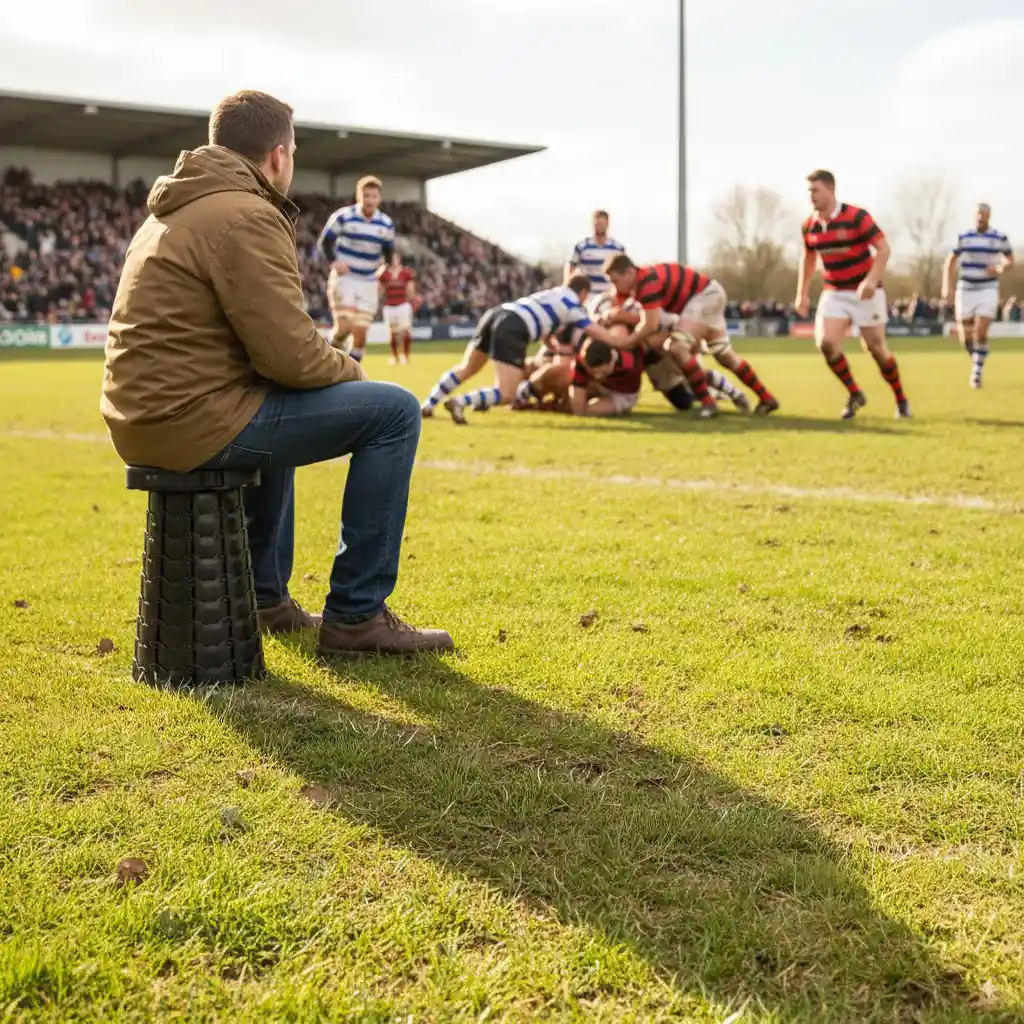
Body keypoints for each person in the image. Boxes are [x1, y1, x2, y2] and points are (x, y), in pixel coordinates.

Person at [101, 90, 452, 657]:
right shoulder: (246, 213)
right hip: (190, 419)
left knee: (278, 400)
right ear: (279, 155)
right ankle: (357, 616)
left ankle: (265, 597)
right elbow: (290, 355)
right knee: (395, 412)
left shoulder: (174, 209)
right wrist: (352, 370)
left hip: (146, 417)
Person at [419, 274, 624, 424]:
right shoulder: (573, 305)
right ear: (584, 293)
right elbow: (595, 331)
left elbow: (543, 320)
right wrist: (623, 342)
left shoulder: (553, 293)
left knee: (466, 368)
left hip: (496, 314)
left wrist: (548, 343)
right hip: (514, 327)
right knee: (507, 392)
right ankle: (460, 402)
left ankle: (428, 404)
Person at [795, 169, 910, 420]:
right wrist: (801, 293)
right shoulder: (809, 226)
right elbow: (808, 258)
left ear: (830, 190)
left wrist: (871, 280)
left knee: (876, 348)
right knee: (826, 343)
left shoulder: (857, 216)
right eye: (809, 191)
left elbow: (883, 249)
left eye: (815, 190)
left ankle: (901, 400)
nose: (811, 196)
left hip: (865, 292)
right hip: (835, 291)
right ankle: (854, 393)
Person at [602, 257, 778, 415]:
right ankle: (766, 398)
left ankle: (708, 403)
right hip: (710, 293)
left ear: (630, 272)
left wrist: (628, 341)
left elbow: (650, 324)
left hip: (704, 297)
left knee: (676, 347)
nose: (615, 286)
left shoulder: (646, 284)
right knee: (724, 355)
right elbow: (625, 305)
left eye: (616, 281)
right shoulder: (643, 279)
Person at [318, 175, 395, 361]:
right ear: (359, 196)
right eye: (366, 195)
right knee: (344, 327)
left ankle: (351, 374)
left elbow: (389, 253)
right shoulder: (344, 217)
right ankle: (328, 357)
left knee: (360, 335)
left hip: (368, 282)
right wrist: (333, 261)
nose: (370, 200)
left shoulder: (386, 224)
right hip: (345, 278)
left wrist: (385, 269)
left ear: (379, 198)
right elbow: (325, 242)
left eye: (373, 196)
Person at [941, 203, 1013, 389]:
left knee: (980, 330)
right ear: (974, 216)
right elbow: (950, 261)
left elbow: (1010, 260)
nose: (981, 217)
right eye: (978, 214)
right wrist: (947, 286)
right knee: (966, 338)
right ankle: (978, 358)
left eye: (984, 214)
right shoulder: (964, 237)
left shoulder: (999, 237)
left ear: (989, 216)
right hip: (966, 288)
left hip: (988, 287)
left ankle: (976, 374)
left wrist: (999, 268)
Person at [565, 209, 626, 305]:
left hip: (609, 296)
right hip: (587, 296)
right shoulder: (582, 246)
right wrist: (568, 289)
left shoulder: (617, 248)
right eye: (597, 223)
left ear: (607, 224)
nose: (599, 226)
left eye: (602, 223)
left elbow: (624, 272)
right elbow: (571, 267)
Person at [378, 250, 416, 365]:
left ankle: (405, 355)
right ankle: (395, 357)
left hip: (403, 305)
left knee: (406, 331)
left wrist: (414, 300)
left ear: (399, 259)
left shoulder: (406, 273)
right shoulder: (384, 274)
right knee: (392, 333)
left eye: (395, 258)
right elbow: (380, 291)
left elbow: (410, 290)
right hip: (390, 306)